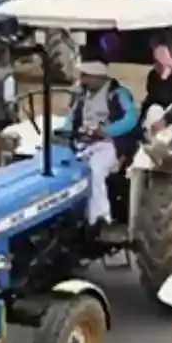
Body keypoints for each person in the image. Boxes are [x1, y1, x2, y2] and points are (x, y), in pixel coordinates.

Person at [68, 60, 138, 228]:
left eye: (86, 76)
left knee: (95, 169)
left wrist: (106, 131)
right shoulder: (80, 94)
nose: (82, 80)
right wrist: (65, 131)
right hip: (83, 142)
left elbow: (130, 119)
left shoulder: (118, 94)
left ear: (98, 77)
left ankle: (100, 217)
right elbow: (70, 117)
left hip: (110, 143)